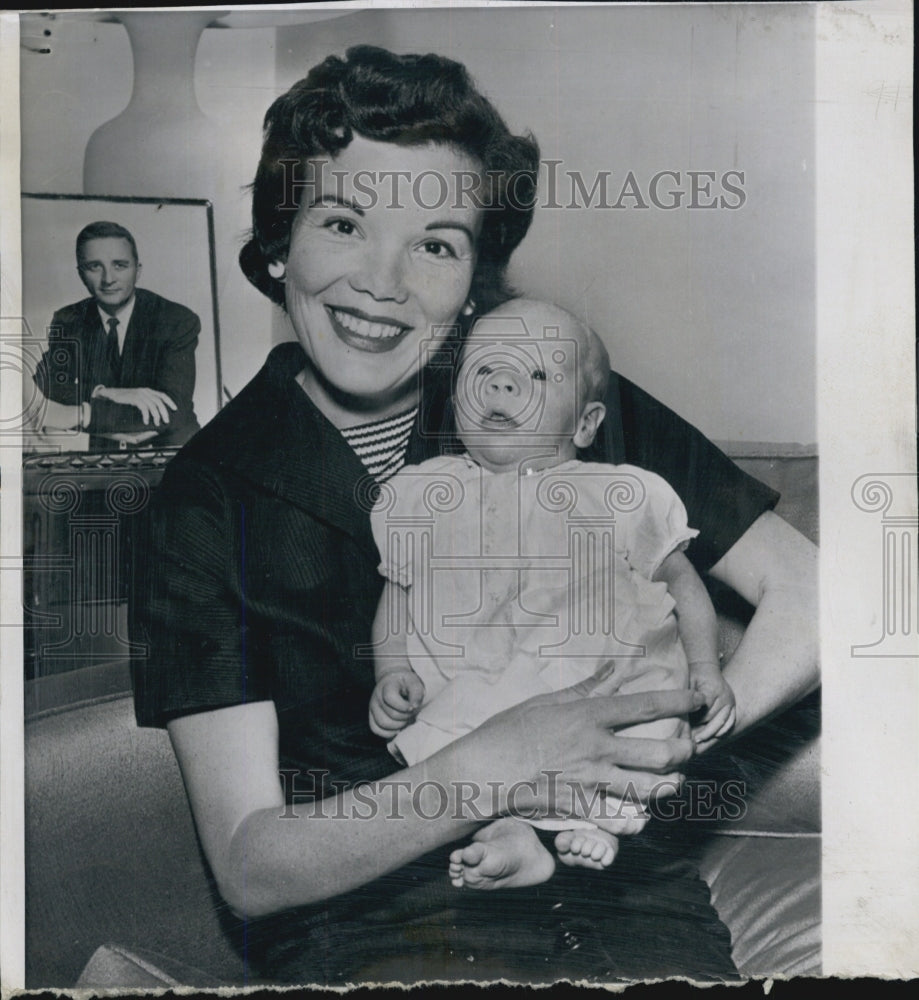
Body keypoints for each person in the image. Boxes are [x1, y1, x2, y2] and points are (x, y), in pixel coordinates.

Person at [132, 46, 818, 985]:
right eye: (343, 222)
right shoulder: (203, 497)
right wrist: (501, 761)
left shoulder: (562, 392)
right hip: (386, 938)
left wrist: (647, 747)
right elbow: (252, 864)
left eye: (436, 242)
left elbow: (814, 598)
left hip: (635, 911)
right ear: (279, 241)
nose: (384, 281)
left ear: (471, 283)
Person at [368, 300, 737, 890]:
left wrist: (704, 669)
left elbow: (682, 585)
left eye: (536, 375)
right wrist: (390, 671)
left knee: (635, 729)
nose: (502, 382)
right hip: (478, 685)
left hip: (593, 682)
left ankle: (601, 822)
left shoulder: (619, 493)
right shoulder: (424, 493)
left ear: (586, 424)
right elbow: (399, 595)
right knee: (462, 754)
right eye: (482, 369)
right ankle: (509, 836)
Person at [33, 221, 200, 449]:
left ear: (137, 271)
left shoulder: (176, 320)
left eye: (119, 265)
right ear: (81, 273)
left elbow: (171, 409)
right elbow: (48, 390)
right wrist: (106, 393)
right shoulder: (69, 320)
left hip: (168, 453)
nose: (108, 279)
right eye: (94, 266)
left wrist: (82, 414)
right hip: (101, 458)